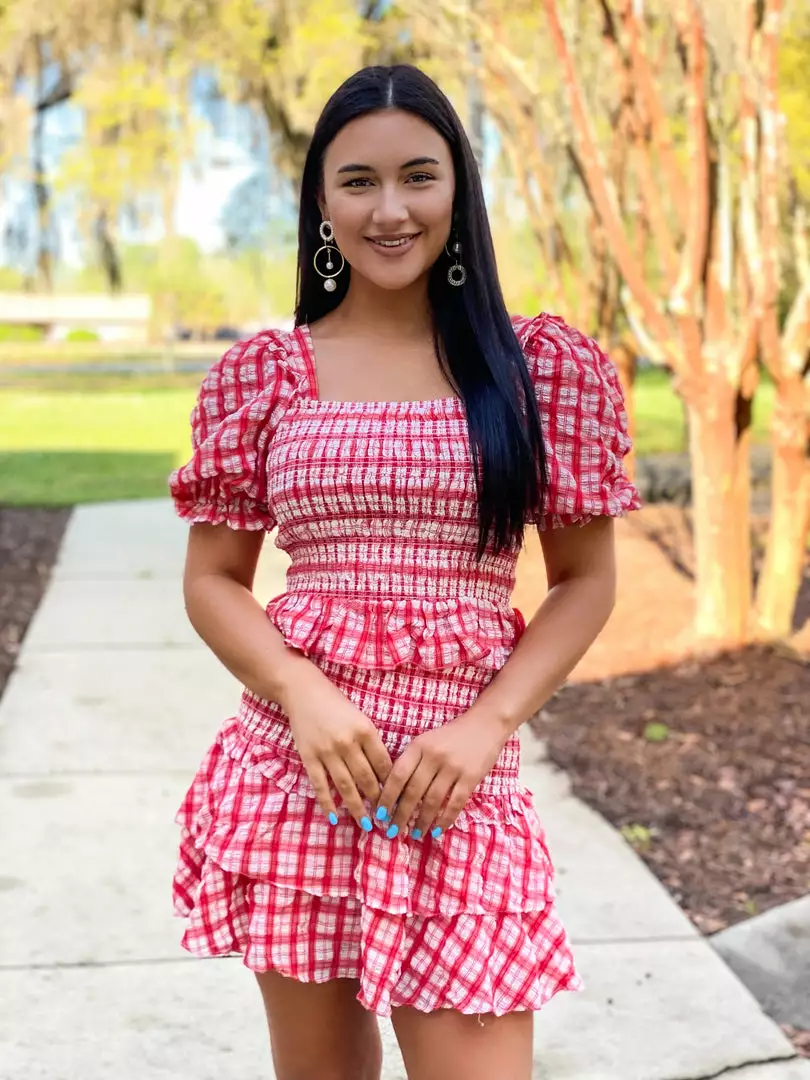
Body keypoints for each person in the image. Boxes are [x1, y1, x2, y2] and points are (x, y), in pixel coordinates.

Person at [168, 63, 640, 1080]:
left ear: (459, 188)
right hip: (298, 781)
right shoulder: (266, 375)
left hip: (458, 791)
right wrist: (298, 690)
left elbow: (586, 580)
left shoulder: (537, 372)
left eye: (418, 176)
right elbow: (212, 579)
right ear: (321, 201)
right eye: (359, 182)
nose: (391, 210)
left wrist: (488, 724)